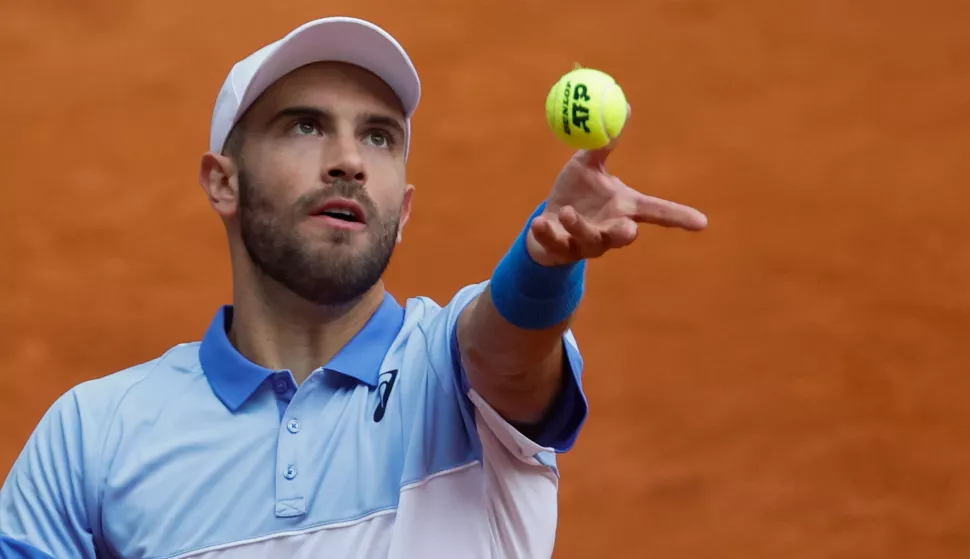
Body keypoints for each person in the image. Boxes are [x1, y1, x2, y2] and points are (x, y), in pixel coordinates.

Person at [0, 15, 707, 559]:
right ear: (224, 181)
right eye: (305, 125)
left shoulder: (449, 374)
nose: (348, 161)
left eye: (378, 138)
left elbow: (508, 352)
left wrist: (545, 260)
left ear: (404, 211)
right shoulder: (94, 437)